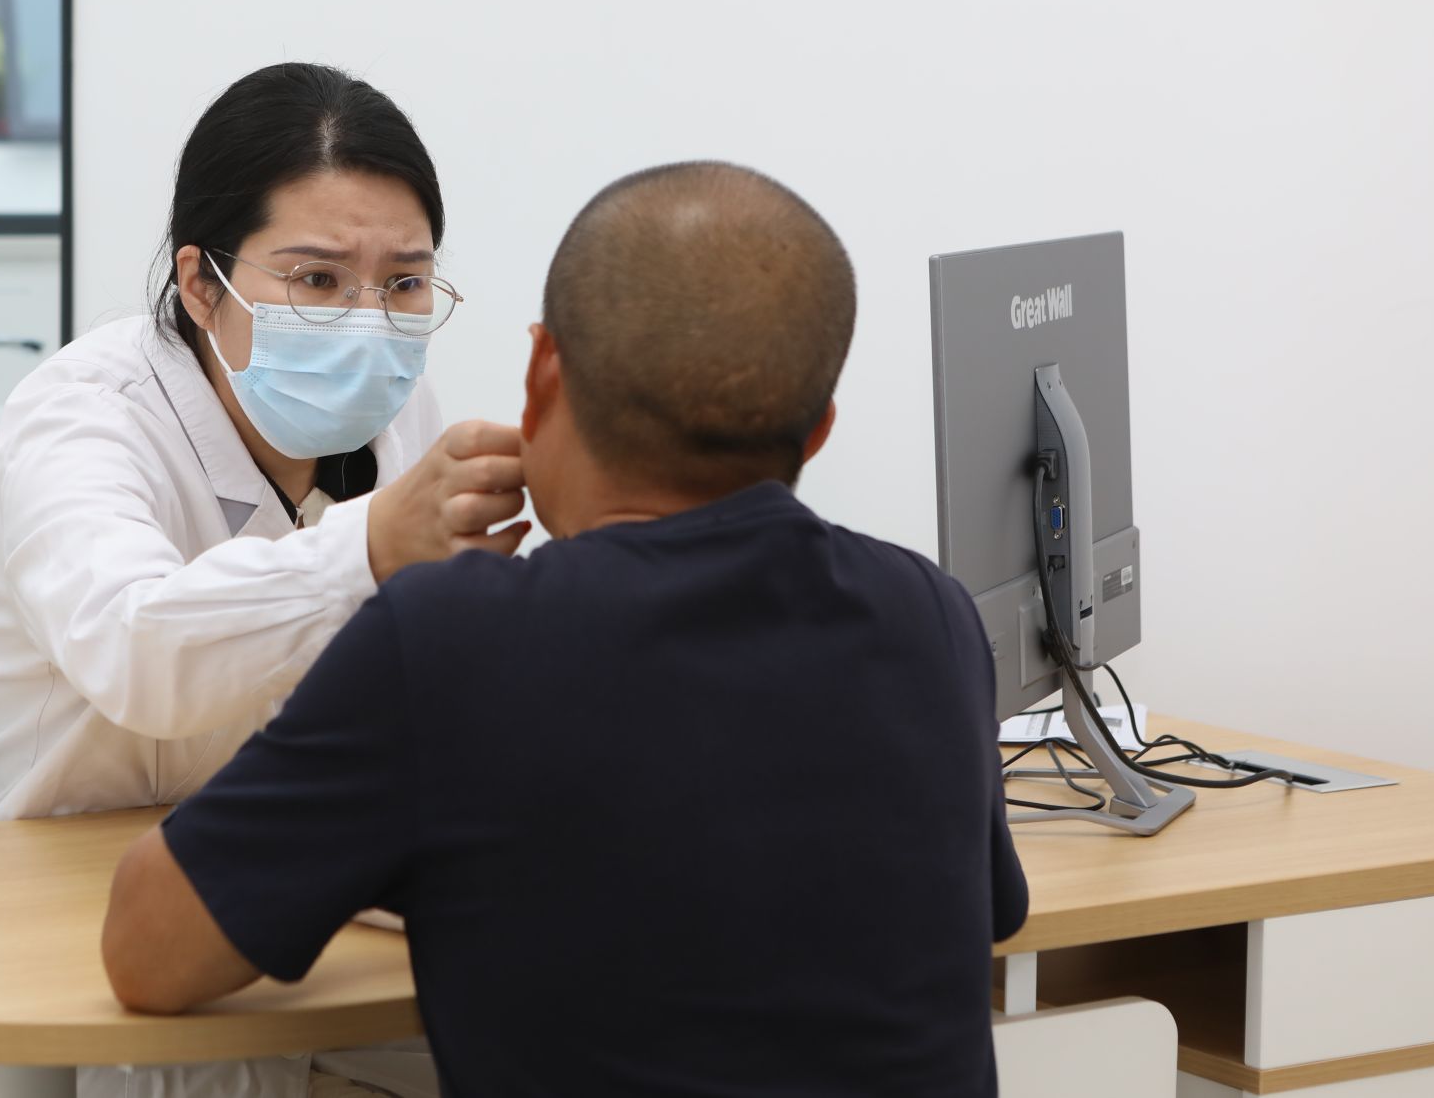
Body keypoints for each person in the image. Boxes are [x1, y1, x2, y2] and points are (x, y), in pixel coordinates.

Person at [99, 161, 1030, 1097]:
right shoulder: (933, 616)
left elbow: (147, 949)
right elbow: (987, 909)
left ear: (543, 373)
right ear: (817, 429)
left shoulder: (454, 643)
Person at [0, 64, 527, 1098]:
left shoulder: (399, 408)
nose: (367, 322)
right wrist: (370, 547)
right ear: (200, 281)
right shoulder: (81, 414)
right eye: (317, 280)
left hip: (281, 883)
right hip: (71, 901)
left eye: (403, 283)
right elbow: (137, 652)